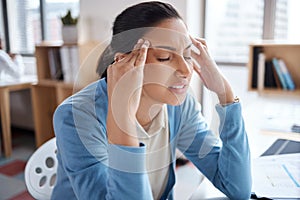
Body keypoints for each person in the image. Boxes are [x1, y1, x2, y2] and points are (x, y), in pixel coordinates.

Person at [52, 1, 251, 199]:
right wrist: (122, 115)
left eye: (188, 54)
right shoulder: (76, 117)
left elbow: (236, 187)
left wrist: (225, 94)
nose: (185, 70)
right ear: (125, 62)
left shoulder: (178, 106)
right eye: (165, 57)